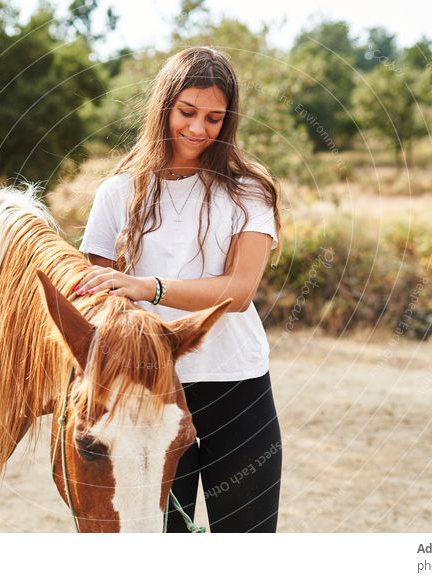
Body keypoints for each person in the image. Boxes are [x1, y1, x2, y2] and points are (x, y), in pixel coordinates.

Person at [76, 46, 283, 533]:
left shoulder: (249, 191)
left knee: (248, 539)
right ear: (164, 105)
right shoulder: (118, 193)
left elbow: (238, 292)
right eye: (187, 112)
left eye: (214, 118)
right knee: (162, 542)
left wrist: (148, 287)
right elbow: (100, 300)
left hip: (238, 385)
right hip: (150, 392)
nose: (197, 128)